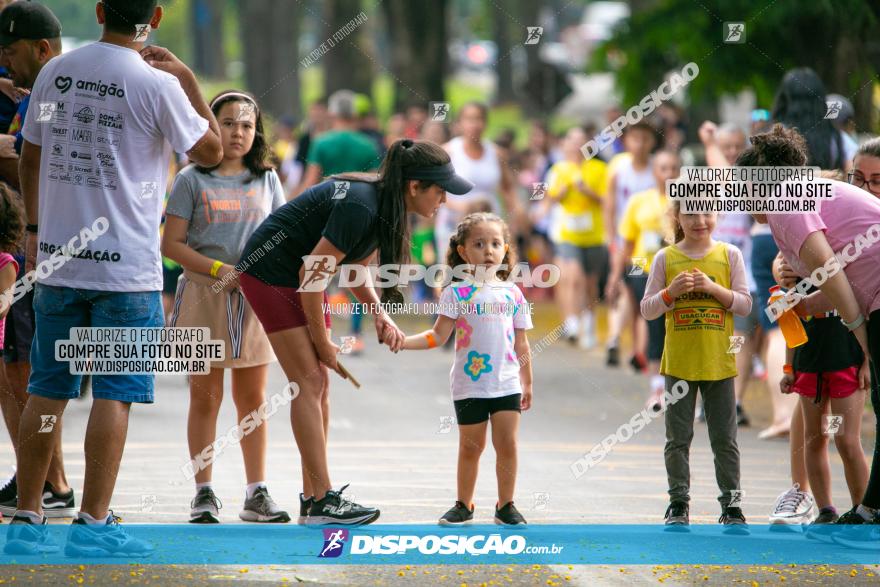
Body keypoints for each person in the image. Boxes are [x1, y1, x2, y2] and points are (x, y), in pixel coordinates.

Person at [6, 0, 222, 556]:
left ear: (99, 11)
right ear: (155, 15)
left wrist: (33, 230)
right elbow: (212, 150)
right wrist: (187, 76)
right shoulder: (157, 84)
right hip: (125, 269)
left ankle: (27, 519)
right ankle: (92, 525)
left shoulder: (54, 71)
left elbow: (31, 153)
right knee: (115, 394)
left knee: (45, 388)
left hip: (56, 259)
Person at [237, 139, 473, 525]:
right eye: (440, 189)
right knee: (309, 382)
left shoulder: (386, 204)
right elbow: (311, 275)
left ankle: (315, 496)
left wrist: (380, 315)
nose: (445, 199)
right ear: (414, 186)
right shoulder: (360, 203)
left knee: (319, 385)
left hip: (300, 276)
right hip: (271, 273)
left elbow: (354, 269)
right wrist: (321, 341)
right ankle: (322, 501)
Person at [736, 125, 880, 546]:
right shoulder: (796, 200)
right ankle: (867, 510)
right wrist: (800, 305)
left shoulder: (787, 203)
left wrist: (862, 339)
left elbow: (832, 277)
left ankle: (870, 510)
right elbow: (830, 285)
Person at [162, 91, 288, 524]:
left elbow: (283, 234)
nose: (238, 132)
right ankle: (203, 492)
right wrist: (219, 269)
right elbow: (171, 244)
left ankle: (257, 493)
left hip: (254, 300)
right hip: (203, 296)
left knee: (252, 400)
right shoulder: (190, 178)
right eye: (228, 122)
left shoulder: (267, 179)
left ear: (258, 133)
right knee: (205, 398)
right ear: (209, 126)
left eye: (247, 125)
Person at [401, 212, 533, 525]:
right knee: (471, 447)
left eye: (495, 243)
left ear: (504, 250)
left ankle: (506, 505)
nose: (488, 250)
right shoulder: (456, 293)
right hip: (470, 384)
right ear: (463, 252)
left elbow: (523, 344)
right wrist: (402, 341)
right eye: (479, 244)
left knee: (508, 446)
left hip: (507, 383)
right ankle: (464, 504)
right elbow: (437, 336)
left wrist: (527, 382)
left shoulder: (513, 293)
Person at [0, 0, 73, 522]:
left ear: (41, 47)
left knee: (28, 371)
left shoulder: (54, 90)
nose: (5, 60)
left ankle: (53, 480)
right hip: (31, 241)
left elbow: (32, 150)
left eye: (9, 50)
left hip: (32, 244)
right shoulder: (41, 89)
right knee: (19, 369)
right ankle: (43, 476)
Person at [641, 201, 752, 529]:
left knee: (725, 440)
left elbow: (744, 304)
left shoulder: (730, 254)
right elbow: (647, 309)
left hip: (720, 364)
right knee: (678, 438)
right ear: (677, 217)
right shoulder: (666, 257)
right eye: (690, 213)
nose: (699, 220)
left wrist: (713, 288)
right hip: (679, 363)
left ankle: (731, 506)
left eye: (706, 212)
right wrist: (670, 293)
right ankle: (678, 503)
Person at [609, 150, 681, 411]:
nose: (669, 173)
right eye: (663, 168)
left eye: (674, 168)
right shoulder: (639, 201)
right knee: (654, 325)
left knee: (675, 328)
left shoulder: (687, 201)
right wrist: (615, 276)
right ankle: (656, 387)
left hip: (676, 270)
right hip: (642, 267)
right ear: (655, 172)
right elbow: (627, 241)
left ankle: (681, 385)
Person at [435, 102, 523, 263]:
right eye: (469, 119)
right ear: (459, 123)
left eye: (478, 119)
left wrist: (514, 219)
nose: (474, 125)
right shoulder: (448, 151)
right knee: (452, 277)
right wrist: (463, 207)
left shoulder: (496, 153)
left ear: (485, 123)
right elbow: (435, 191)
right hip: (453, 223)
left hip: (489, 224)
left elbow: (508, 188)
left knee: (487, 277)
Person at [546, 126, 608, 349]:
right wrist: (559, 194)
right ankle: (571, 323)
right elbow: (549, 200)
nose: (577, 145)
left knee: (591, 283)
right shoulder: (559, 169)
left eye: (582, 141)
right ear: (566, 144)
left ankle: (589, 324)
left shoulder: (600, 169)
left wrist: (587, 191)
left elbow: (607, 201)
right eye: (573, 140)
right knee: (573, 277)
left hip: (594, 234)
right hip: (567, 233)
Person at [605, 122, 657, 370]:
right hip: (625, 243)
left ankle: (638, 350)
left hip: (648, 249)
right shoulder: (619, 167)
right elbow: (609, 204)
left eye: (645, 139)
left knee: (640, 298)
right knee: (628, 292)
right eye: (635, 138)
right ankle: (617, 339)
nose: (640, 144)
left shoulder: (657, 169)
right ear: (627, 141)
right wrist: (610, 239)